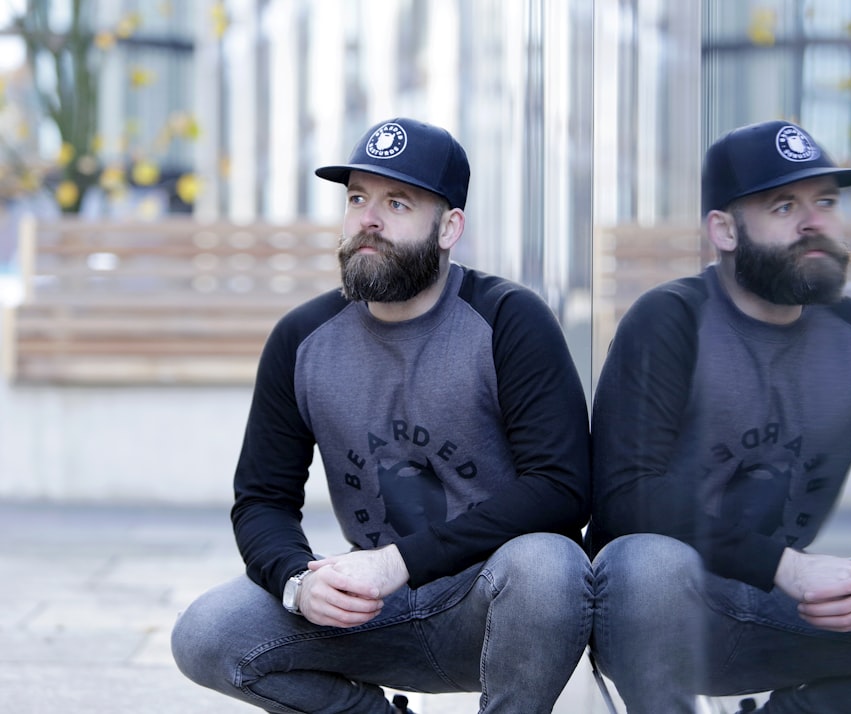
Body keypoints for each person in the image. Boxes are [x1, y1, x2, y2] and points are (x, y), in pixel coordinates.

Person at [171, 118, 593, 714]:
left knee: (551, 564)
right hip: (373, 615)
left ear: (449, 227)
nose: (368, 219)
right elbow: (262, 499)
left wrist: (398, 562)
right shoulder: (302, 339)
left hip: (489, 609)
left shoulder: (507, 320)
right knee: (206, 632)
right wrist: (299, 581)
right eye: (356, 198)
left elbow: (562, 489)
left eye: (397, 202)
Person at [588, 120, 851, 713]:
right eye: (784, 206)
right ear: (724, 230)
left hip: (781, 611)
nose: (815, 223)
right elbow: (627, 496)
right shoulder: (670, 322)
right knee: (647, 562)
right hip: (654, 614)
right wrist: (786, 566)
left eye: (826, 202)